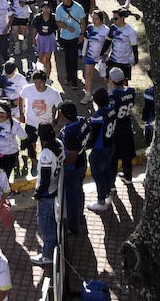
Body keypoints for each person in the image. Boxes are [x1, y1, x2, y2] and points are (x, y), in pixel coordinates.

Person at [30, 123, 64, 266]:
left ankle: (47, 255)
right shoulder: (59, 144)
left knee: (46, 226)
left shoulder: (46, 154)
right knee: (54, 223)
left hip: (47, 195)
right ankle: (56, 246)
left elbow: (45, 178)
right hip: (56, 190)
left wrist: (38, 193)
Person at [18, 69, 62, 177]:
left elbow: (60, 107)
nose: (37, 85)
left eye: (40, 82)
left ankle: (45, 164)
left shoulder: (53, 93)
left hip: (46, 125)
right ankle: (34, 163)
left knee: (46, 146)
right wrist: (21, 113)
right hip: (31, 123)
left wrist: (55, 121)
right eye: (35, 82)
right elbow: (21, 97)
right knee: (31, 145)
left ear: (45, 82)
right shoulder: (28, 89)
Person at [58, 100, 91, 236]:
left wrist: (60, 166)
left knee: (71, 197)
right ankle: (80, 216)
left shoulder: (69, 133)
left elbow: (71, 157)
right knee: (78, 191)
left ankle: (73, 226)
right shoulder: (82, 120)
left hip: (73, 167)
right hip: (82, 160)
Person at [87, 87, 117, 212]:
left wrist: (85, 145)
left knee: (98, 175)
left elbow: (93, 137)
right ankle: (108, 194)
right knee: (106, 172)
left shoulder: (98, 116)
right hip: (110, 145)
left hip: (100, 149)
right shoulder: (112, 109)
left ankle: (101, 201)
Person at [108, 66, 137, 188]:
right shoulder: (131, 91)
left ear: (111, 80)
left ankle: (111, 183)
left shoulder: (113, 95)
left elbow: (110, 111)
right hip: (127, 125)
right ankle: (128, 176)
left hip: (116, 128)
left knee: (113, 157)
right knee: (127, 154)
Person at [54, 0, 86, 89]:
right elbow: (57, 21)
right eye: (61, 0)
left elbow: (83, 22)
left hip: (75, 37)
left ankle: (74, 79)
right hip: (64, 37)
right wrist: (67, 27)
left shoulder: (78, 7)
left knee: (74, 58)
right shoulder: (59, 8)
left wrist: (82, 34)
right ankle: (69, 77)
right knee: (67, 58)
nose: (63, 1)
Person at [80, 9, 110, 104]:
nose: (94, 20)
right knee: (88, 75)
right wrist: (83, 54)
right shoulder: (89, 28)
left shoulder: (106, 30)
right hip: (90, 56)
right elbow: (86, 41)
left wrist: (106, 54)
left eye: (96, 19)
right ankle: (87, 95)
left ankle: (110, 94)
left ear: (101, 19)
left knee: (106, 76)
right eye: (93, 18)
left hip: (102, 57)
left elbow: (109, 44)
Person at [31, 2, 57, 80]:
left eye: (47, 8)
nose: (46, 9)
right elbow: (35, 29)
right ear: (41, 8)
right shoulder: (37, 17)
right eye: (44, 7)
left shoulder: (53, 17)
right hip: (40, 38)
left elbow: (57, 27)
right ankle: (41, 75)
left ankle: (48, 77)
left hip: (49, 38)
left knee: (48, 59)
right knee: (41, 58)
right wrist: (34, 38)